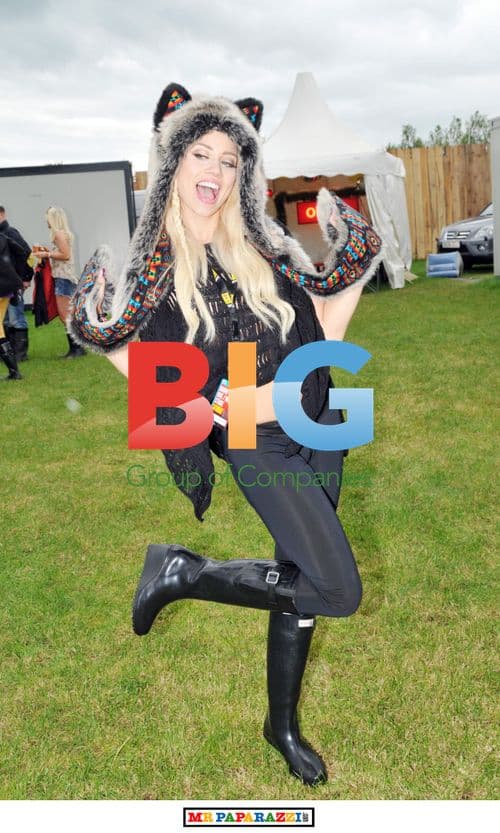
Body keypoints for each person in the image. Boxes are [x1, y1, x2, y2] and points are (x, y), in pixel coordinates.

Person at [69, 84, 383, 786]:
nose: (217, 168)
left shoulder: (263, 248)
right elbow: (171, 401)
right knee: (337, 588)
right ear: (173, 161)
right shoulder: (153, 275)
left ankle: (282, 724)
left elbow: (320, 340)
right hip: (258, 442)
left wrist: (356, 266)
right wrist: (106, 341)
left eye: (233, 158)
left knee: (299, 578)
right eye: (201, 152)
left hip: (319, 425)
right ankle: (185, 573)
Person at [35, 206, 85, 358]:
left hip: (63, 278)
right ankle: (76, 348)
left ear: (53, 219)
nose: (47, 223)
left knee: (65, 316)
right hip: (67, 277)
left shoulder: (58, 234)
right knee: (68, 315)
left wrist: (47, 253)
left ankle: (77, 349)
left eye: (48, 220)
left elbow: (65, 255)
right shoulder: (64, 234)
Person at [0, 206, 33, 362]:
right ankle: (9, 352)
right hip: (4, 285)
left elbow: (26, 254)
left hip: (14, 282)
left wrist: (26, 277)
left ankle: (20, 354)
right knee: (5, 319)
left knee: (16, 317)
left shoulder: (10, 233)